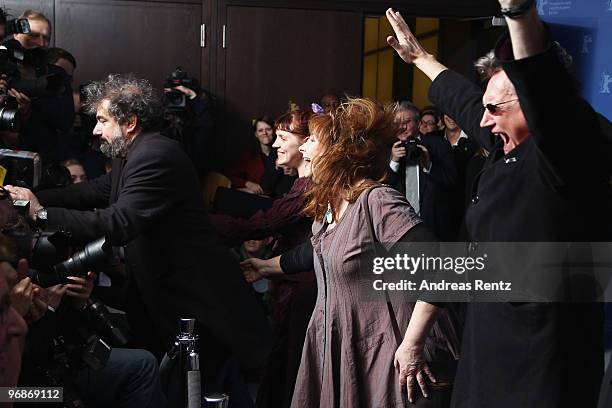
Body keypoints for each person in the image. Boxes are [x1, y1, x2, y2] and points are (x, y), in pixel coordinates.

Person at [385, 2, 607, 407]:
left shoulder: (567, 151)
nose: (483, 121)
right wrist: (422, 59)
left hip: (541, 368)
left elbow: (544, 89)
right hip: (486, 354)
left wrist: (518, 12)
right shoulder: (508, 150)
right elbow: (469, 104)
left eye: (495, 109)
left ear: (536, 105)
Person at [5, 74, 272, 395]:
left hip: (195, 302)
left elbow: (118, 222)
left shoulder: (155, 155)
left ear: (130, 121)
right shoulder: (131, 153)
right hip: (164, 299)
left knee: (208, 388)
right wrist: (23, 199)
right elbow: (94, 192)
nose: (95, 129)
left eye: (103, 120)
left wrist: (39, 214)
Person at [243, 98, 461, 407]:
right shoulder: (332, 205)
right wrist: (264, 267)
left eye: (312, 141)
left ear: (337, 152)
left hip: (388, 352)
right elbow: (315, 252)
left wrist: (412, 344)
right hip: (348, 343)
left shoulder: (377, 201)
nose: (303, 149)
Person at [212, 109, 316, 408]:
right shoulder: (299, 185)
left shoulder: (310, 189)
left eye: (283, 137)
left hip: (303, 293)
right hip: (290, 286)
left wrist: (194, 221)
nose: (274, 145)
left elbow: (258, 226)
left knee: (291, 372)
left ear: (308, 143)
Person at [388, 101, 458, 241]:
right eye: (397, 122)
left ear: (418, 123)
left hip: (433, 227)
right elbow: (382, 188)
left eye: (407, 121)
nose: (402, 127)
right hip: (399, 228)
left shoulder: (438, 145)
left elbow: (453, 183)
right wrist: (394, 161)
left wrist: (429, 165)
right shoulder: (386, 148)